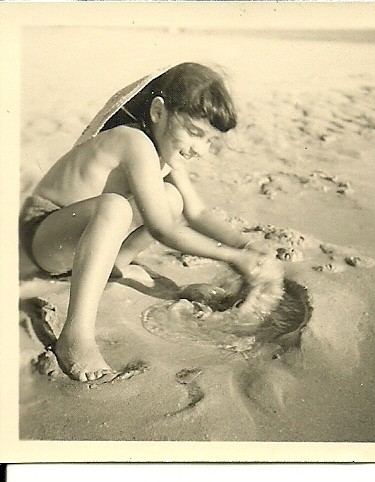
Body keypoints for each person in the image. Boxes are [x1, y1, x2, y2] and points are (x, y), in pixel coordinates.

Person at [19, 62, 281, 382]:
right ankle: (76, 335)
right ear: (158, 111)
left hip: (76, 245)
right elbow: (162, 229)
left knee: (171, 199)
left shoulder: (162, 151)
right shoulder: (133, 142)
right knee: (116, 207)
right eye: (195, 133)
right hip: (42, 237)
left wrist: (246, 245)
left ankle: (116, 264)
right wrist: (234, 257)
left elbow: (196, 213)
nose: (201, 149)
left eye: (210, 141)